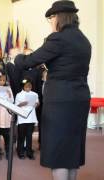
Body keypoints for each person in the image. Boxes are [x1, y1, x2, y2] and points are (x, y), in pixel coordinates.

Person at [13, 1, 91, 179]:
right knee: (71, 151)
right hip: (80, 97)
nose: (50, 21)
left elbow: (29, 61)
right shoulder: (84, 40)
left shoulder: (58, 38)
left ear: (59, 17)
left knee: (58, 153)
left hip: (61, 100)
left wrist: (16, 55)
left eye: (51, 18)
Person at [15, 78, 39, 160]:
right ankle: (20, 151)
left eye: (30, 86)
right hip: (22, 119)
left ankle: (29, 152)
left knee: (29, 136)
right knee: (21, 136)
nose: (28, 88)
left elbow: (36, 104)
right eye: (26, 86)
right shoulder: (19, 95)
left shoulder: (34, 94)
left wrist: (37, 104)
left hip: (31, 118)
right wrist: (21, 104)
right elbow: (16, 106)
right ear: (23, 87)